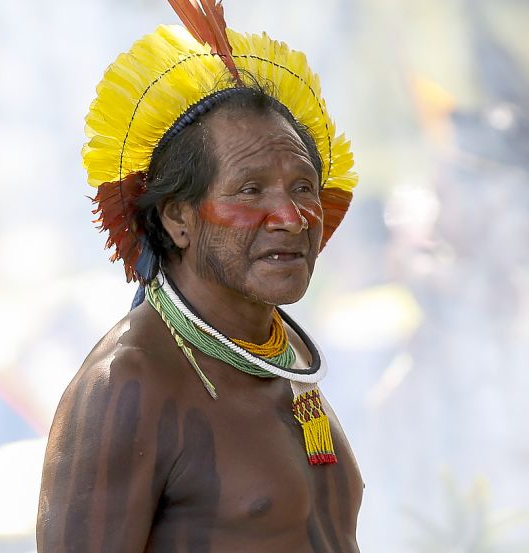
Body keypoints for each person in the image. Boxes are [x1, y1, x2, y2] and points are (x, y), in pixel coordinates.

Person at [38, 2, 363, 551]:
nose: (290, 217)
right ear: (178, 218)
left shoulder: (283, 362)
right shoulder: (129, 384)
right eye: (250, 190)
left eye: (304, 187)